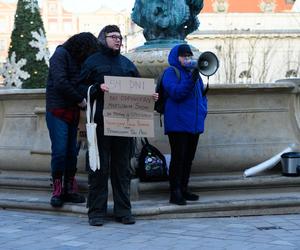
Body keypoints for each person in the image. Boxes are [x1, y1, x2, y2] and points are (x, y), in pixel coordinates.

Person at [78, 25, 144, 226]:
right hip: (99, 124)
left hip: (124, 125)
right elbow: (80, 87)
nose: (118, 40)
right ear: (103, 38)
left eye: (120, 37)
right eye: (113, 36)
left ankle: (123, 211)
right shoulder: (92, 62)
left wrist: (150, 96)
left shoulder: (127, 64)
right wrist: (97, 88)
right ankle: (96, 213)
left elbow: (139, 89)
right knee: (98, 169)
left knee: (122, 169)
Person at [46, 32, 100, 208]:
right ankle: (57, 189)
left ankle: (69, 187)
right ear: (82, 47)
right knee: (60, 151)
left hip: (73, 111)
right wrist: (79, 99)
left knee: (72, 152)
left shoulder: (78, 59)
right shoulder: (60, 55)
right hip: (57, 110)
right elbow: (60, 82)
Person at [162, 44, 208, 205]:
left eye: (189, 55)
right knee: (178, 158)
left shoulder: (194, 75)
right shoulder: (170, 73)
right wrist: (192, 77)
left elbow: (202, 95)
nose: (187, 58)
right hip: (178, 124)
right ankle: (174, 192)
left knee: (188, 158)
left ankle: (183, 188)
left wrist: (203, 111)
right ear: (177, 57)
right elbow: (177, 93)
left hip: (194, 123)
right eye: (183, 56)